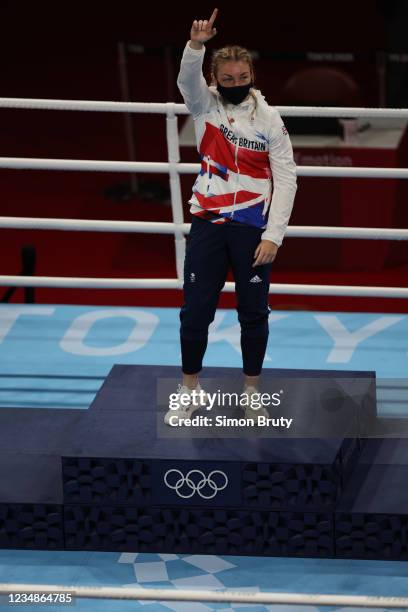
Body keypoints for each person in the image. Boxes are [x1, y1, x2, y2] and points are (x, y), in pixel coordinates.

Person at [164, 8, 297, 425]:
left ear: (252, 75)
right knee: (195, 311)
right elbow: (187, 80)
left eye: (242, 79)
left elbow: (287, 179)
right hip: (207, 225)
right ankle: (189, 390)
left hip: (252, 231)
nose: (236, 85)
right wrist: (196, 46)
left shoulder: (270, 120)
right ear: (216, 79)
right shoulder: (205, 108)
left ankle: (252, 393)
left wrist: (273, 235)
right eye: (227, 79)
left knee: (253, 312)